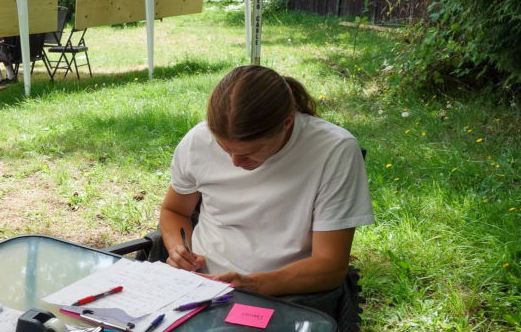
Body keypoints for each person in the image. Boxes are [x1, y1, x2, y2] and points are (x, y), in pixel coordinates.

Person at [160, 64, 373, 296]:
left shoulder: (333, 151)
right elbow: (174, 211)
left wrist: (253, 286)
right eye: (224, 149)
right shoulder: (198, 140)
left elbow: (330, 266)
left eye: (249, 153)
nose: (235, 162)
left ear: (287, 123)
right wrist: (179, 251)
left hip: (284, 295)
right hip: (199, 284)